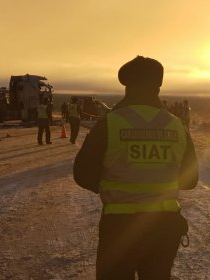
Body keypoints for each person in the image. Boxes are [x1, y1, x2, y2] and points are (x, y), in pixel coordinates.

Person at [73, 55, 199, 280]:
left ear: (127, 86)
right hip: (164, 225)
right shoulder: (177, 126)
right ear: (158, 86)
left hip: (120, 226)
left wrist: (114, 184)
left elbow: (82, 175)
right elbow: (190, 181)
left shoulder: (110, 124)